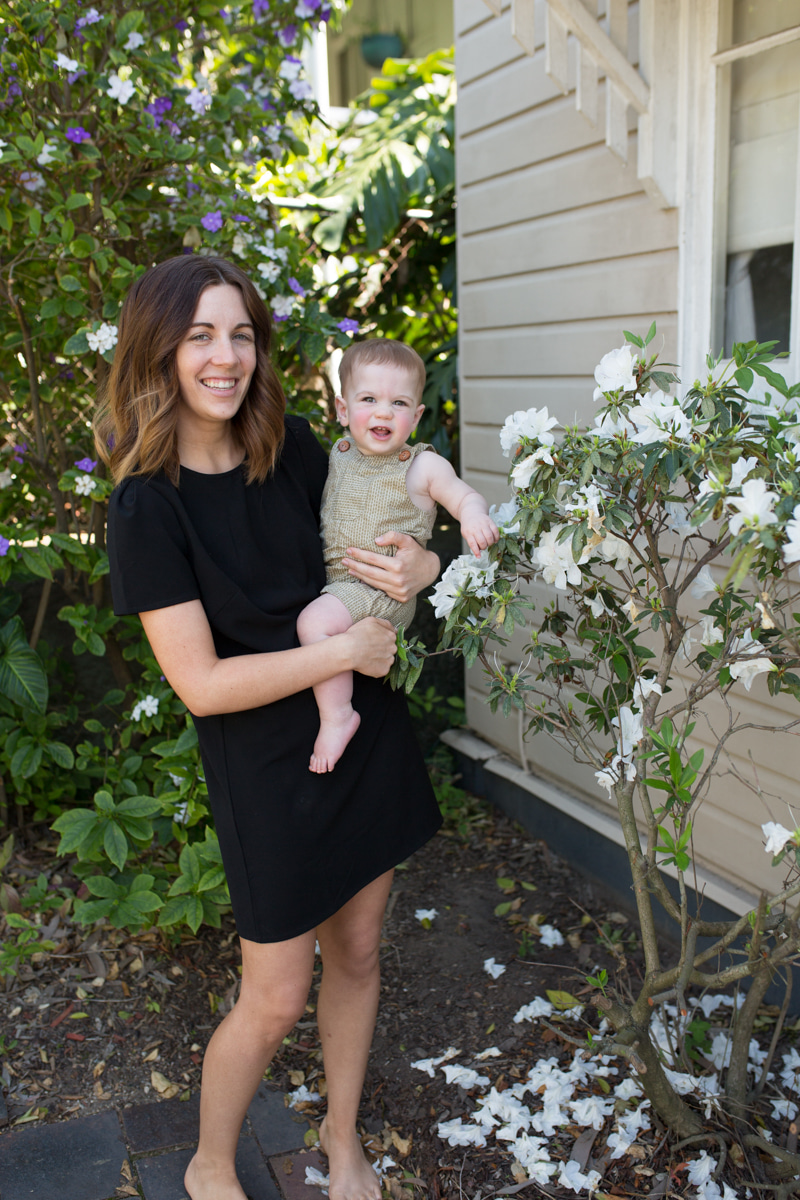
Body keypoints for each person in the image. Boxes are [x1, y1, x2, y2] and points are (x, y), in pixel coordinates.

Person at [97, 255, 443, 1200]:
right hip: (263, 762)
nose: (225, 357)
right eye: (201, 335)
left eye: (241, 333)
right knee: (277, 991)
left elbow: (387, 522)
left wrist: (422, 565)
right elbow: (202, 685)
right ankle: (212, 1159)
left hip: (364, 730)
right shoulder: (147, 506)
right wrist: (342, 655)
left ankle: (340, 1137)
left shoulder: (292, 448)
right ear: (159, 350)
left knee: (362, 952)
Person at [298, 339, 499, 774]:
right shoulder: (340, 453)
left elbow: (463, 496)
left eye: (399, 402)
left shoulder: (421, 466)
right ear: (343, 410)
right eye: (369, 399)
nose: (384, 412)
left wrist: (474, 517)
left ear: (417, 415)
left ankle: (337, 717)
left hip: (380, 589)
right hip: (342, 582)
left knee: (312, 624)